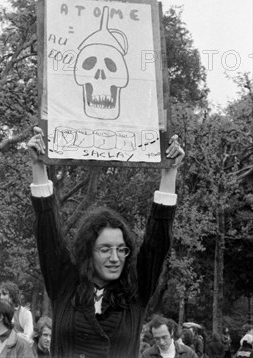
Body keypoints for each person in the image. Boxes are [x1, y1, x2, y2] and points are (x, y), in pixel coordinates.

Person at [28, 127, 185, 358]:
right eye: (105, 249)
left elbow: (156, 242)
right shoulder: (64, 285)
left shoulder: (136, 290)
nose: (115, 258)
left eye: (121, 249)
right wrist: (38, 165)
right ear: (88, 252)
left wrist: (169, 172)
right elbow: (47, 233)